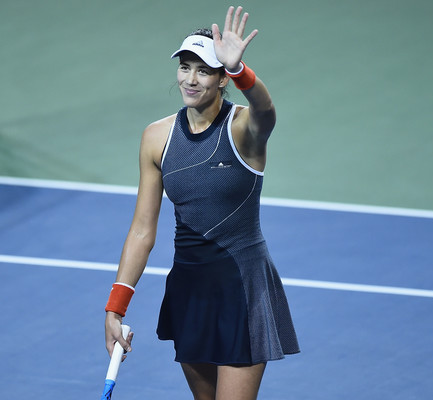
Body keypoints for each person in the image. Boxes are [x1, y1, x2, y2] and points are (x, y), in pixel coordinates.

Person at [104, 6, 299, 399]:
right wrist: (115, 307)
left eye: (204, 70)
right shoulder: (156, 138)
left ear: (222, 78)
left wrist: (240, 69)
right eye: (185, 67)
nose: (191, 79)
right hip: (190, 291)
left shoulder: (244, 128)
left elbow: (267, 110)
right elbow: (143, 228)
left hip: (242, 290)